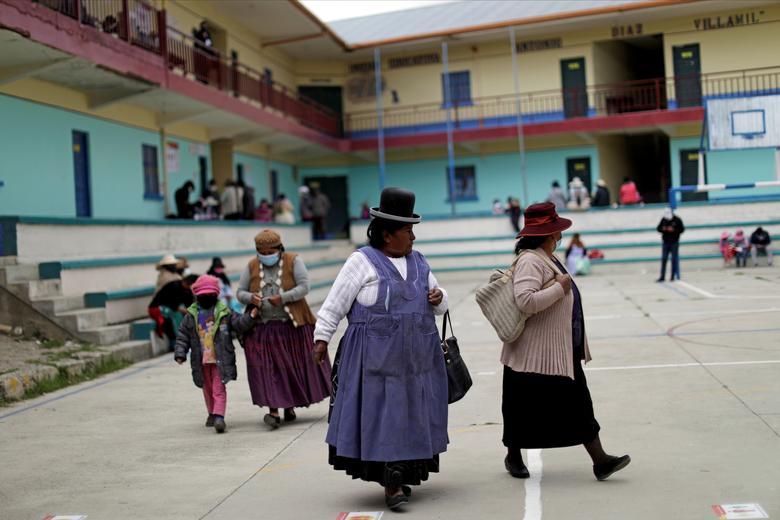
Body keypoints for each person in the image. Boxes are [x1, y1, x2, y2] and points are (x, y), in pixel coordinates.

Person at [313, 187, 449, 511]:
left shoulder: (419, 262)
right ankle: (392, 484)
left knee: (412, 416)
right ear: (387, 235)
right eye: (407, 230)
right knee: (386, 419)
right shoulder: (361, 262)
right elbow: (334, 304)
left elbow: (441, 303)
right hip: (375, 361)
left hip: (416, 360)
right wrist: (321, 338)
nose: (413, 237)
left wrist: (439, 297)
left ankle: (404, 474)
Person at [501, 201, 630, 482]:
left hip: (558, 348)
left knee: (579, 402)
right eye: (556, 229)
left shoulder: (547, 257)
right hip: (531, 352)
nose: (560, 234)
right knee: (521, 407)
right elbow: (525, 301)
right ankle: (513, 456)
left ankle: (600, 460)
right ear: (549, 234)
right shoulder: (530, 260)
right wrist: (559, 289)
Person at [236, 229, 332, 429]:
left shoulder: (293, 261)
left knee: (291, 367)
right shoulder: (252, 265)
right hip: (264, 328)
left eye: (270, 252)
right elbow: (240, 292)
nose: (266, 255)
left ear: (279, 249)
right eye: (262, 252)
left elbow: (304, 287)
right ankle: (273, 411)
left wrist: (283, 298)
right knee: (268, 369)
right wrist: (251, 298)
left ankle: (289, 406)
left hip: (291, 327)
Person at [174, 275, 260, 434]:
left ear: (215, 295)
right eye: (203, 295)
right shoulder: (191, 315)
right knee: (206, 389)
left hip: (220, 359)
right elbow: (183, 335)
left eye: (210, 295)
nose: (206, 298)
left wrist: (251, 317)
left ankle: (219, 417)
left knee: (218, 388)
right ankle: (212, 413)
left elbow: (239, 324)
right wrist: (180, 353)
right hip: (201, 360)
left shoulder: (224, 312)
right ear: (197, 296)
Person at [148, 274, 197, 350]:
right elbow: (166, 301)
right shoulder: (173, 286)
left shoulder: (187, 290)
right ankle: (176, 342)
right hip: (159, 307)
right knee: (176, 317)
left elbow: (189, 304)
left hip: (175, 308)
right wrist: (180, 309)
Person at [656, 208, 684, 282]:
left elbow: (682, 229)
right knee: (664, 259)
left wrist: (673, 230)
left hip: (674, 242)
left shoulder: (677, 220)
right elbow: (658, 228)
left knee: (674, 259)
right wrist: (663, 229)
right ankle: (662, 276)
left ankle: (672, 276)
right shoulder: (663, 219)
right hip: (665, 242)